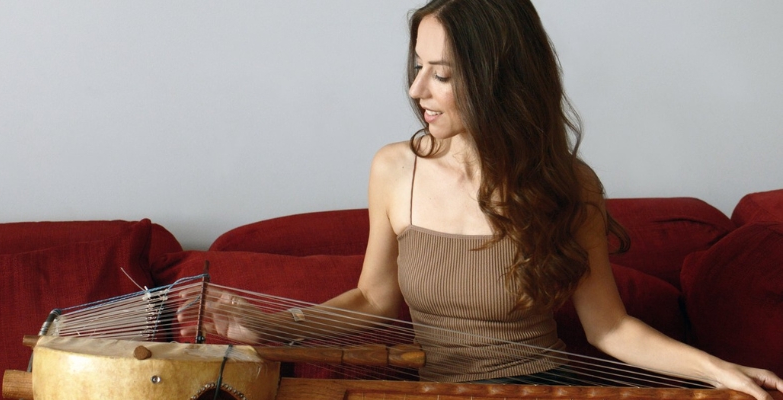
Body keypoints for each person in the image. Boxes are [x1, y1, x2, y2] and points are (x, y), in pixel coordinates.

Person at [185, 1, 783, 399]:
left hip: (537, 387)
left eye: (440, 74)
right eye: (416, 67)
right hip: (432, 390)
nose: (416, 89)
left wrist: (716, 369)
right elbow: (372, 298)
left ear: (499, 79)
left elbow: (611, 329)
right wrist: (271, 327)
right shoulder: (394, 169)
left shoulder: (570, 186)